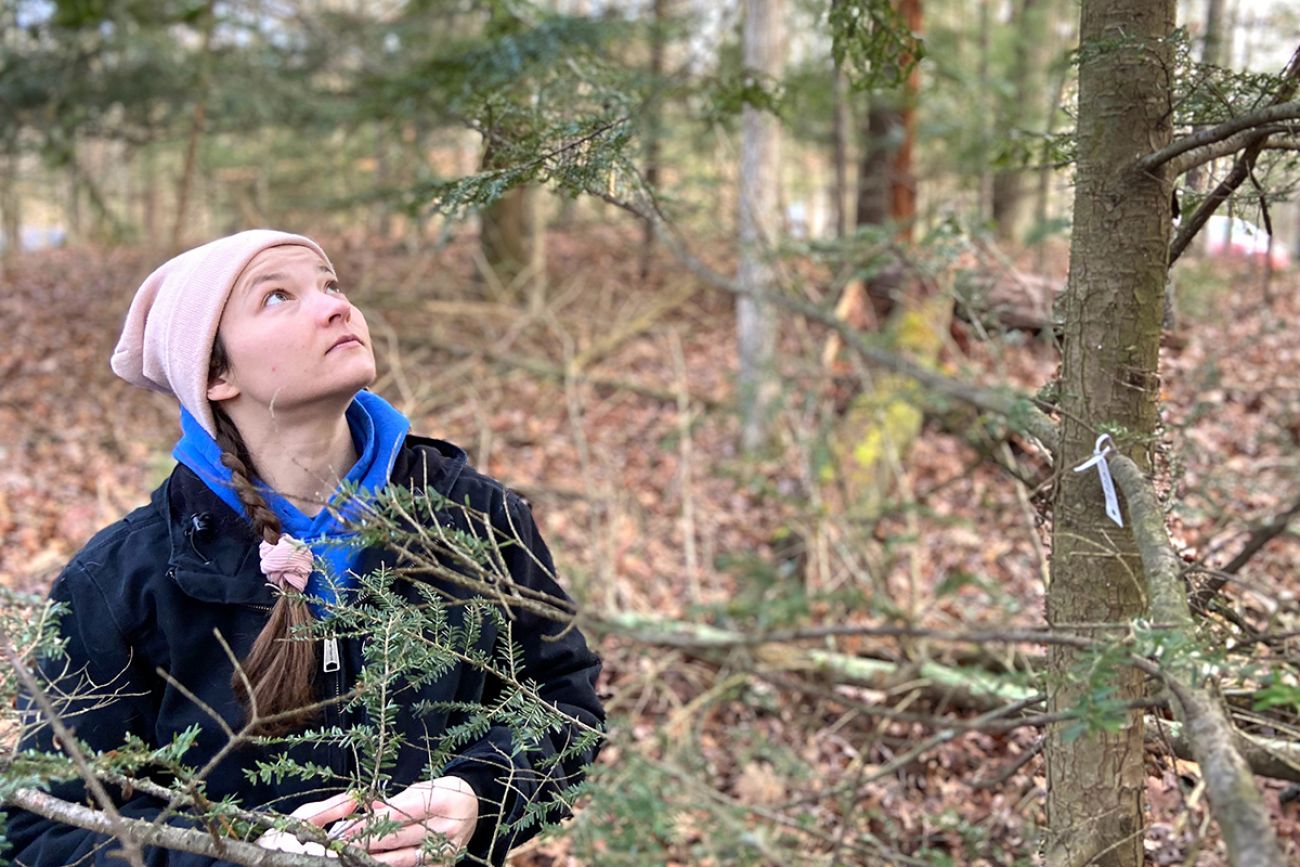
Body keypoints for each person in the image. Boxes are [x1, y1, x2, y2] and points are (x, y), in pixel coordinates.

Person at [2, 230, 604, 866]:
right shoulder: (124, 578)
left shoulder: (473, 516)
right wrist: (234, 857)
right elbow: (50, 829)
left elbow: (565, 702)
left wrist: (480, 794)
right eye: (277, 297)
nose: (335, 306)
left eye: (330, 284)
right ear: (214, 375)